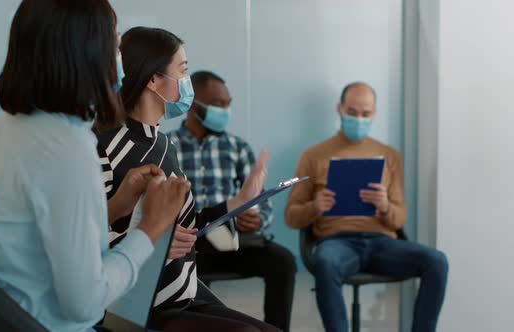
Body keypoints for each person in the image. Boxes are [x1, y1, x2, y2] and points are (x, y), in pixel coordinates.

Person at [0, 1, 189, 331]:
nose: (120, 58)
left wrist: (113, 208)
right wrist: (151, 228)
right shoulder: (66, 147)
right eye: (115, 41)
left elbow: (36, 234)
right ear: (88, 52)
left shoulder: (6, 130)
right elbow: (86, 302)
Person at [96, 27, 280, 332]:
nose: (187, 83)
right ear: (153, 80)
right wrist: (150, 242)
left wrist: (240, 201)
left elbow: (188, 231)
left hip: (181, 294)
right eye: (182, 71)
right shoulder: (104, 145)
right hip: (138, 303)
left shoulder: (163, 144)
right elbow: (88, 241)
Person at [285, 82, 449, 332]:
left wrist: (385, 206)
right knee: (325, 260)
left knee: (437, 260)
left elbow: (399, 220)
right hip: (337, 243)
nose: (359, 119)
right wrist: (314, 207)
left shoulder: (389, 156)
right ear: (339, 109)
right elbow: (291, 217)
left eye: (365, 114)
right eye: (352, 112)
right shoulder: (313, 155)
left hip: (381, 243)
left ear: (374, 113)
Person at [167, 70, 297, 332]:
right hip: (191, 245)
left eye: (228, 104)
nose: (225, 111)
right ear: (194, 106)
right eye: (218, 105)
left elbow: (261, 202)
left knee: (283, 261)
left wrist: (257, 218)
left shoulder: (238, 147)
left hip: (235, 243)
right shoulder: (168, 146)